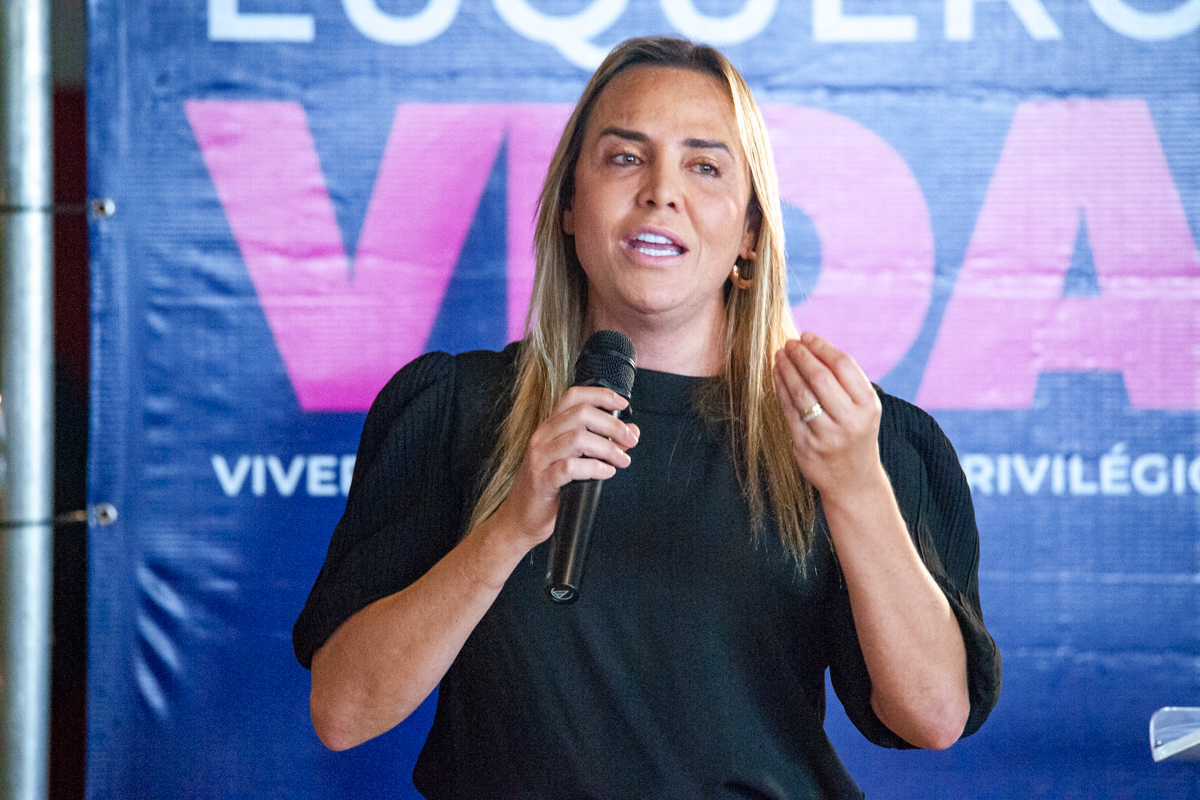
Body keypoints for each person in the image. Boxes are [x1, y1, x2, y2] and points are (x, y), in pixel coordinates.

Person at [293, 36, 1000, 798]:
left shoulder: (850, 434)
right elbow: (343, 712)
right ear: (570, 206)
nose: (662, 191)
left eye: (705, 166)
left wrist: (856, 488)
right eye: (625, 157)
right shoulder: (456, 411)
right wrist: (507, 531)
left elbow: (933, 716)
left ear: (751, 232)